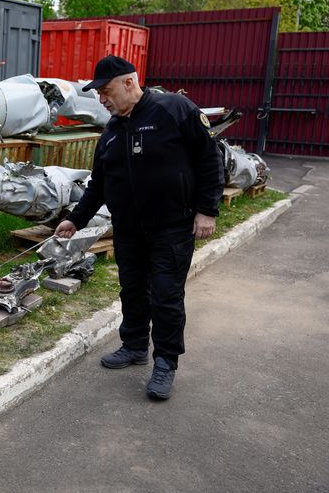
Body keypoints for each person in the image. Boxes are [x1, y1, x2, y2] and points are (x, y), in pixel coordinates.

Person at [55, 55, 224, 400]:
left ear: (130, 82)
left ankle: (166, 362)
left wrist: (207, 210)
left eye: (106, 90)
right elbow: (99, 185)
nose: (102, 99)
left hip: (172, 227)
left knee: (165, 295)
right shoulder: (112, 132)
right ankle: (133, 346)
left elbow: (210, 157)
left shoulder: (174, 109)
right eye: (99, 93)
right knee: (132, 289)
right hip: (129, 229)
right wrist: (76, 218)